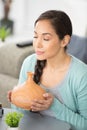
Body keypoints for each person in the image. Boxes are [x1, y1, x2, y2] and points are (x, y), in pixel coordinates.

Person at [8, 10, 87, 130]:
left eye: (45, 38)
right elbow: (21, 116)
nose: (37, 44)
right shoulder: (29, 63)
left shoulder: (81, 75)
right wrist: (17, 101)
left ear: (64, 41)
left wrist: (54, 106)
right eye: (35, 36)